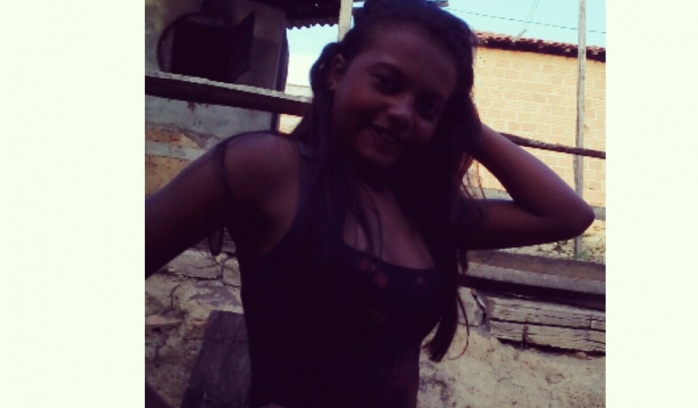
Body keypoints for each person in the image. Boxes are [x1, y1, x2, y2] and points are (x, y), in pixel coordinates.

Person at [145, 0, 595, 406]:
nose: (402, 112)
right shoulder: (268, 169)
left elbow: (567, 214)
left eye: (427, 107)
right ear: (338, 72)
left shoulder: (425, 210)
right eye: (387, 83)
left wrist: (464, 125)